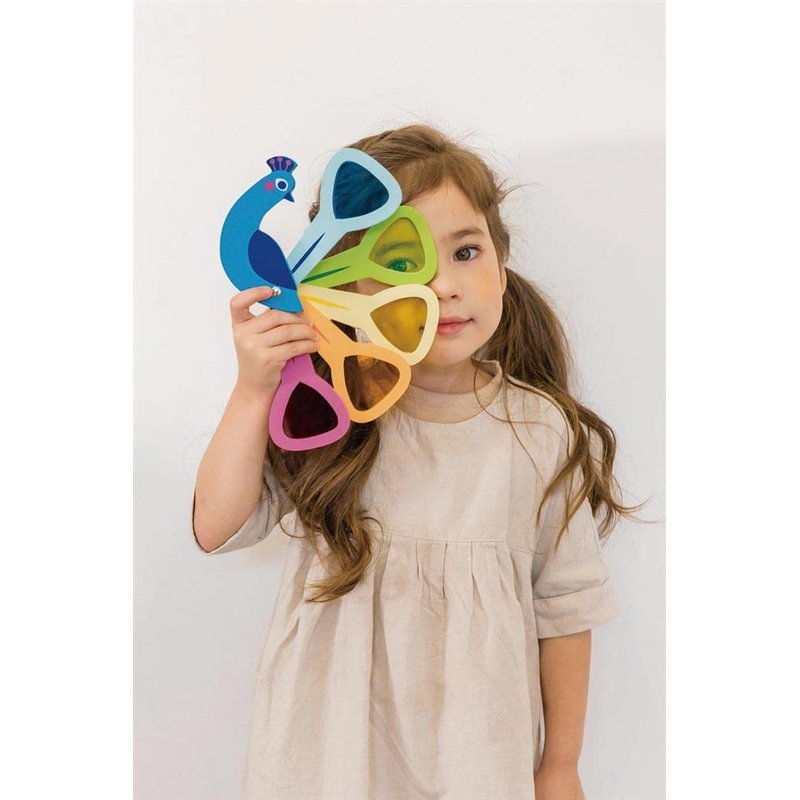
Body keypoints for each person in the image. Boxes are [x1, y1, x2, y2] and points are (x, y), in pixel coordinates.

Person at [191, 124, 641, 800]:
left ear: (501, 263)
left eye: (466, 251)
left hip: (476, 760)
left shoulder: (539, 430)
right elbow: (216, 527)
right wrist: (254, 389)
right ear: (341, 283)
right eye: (403, 261)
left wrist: (560, 766)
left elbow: (565, 609)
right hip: (324, 758)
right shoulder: (322, 411)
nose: (443, 285)